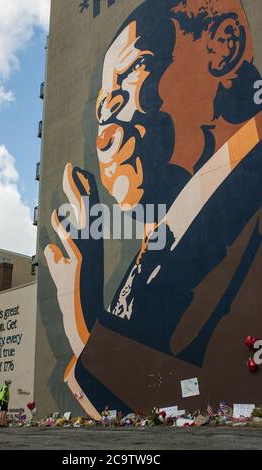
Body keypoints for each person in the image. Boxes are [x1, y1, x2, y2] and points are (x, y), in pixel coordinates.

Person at [45, 0, 262, 418]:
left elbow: (205, 399)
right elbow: (164, 405)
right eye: (101, 109)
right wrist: (83, 309)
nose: (105, 132)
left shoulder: (240, 203)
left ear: (224, 47)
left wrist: (81, 315)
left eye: (128, 76)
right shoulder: (174, 231)